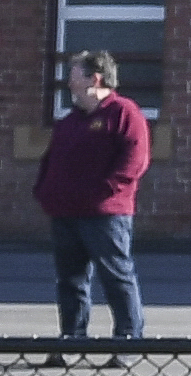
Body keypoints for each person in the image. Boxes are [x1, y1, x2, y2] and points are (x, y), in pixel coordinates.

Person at [36, 52, 154, 358]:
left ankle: (128, 340)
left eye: (74, 74)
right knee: (70, 280)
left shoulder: (124, 113)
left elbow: (134, 162)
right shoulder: (70, 121)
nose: (69, 82)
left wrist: (103, 191)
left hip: (106, 216)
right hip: (66, 214)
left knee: (116, 277)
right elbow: (51, 160)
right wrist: (45, 191)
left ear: (95, 78)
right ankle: (73, 338)